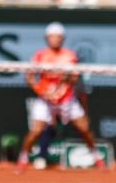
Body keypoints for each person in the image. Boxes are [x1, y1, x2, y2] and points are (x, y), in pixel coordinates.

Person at [17, 23, 103, 173]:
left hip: (67, 99)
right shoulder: (40, 55)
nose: (55, 40)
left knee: (84, 128)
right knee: (36, 131)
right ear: (47, 38)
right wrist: (42, 91)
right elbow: (29, 77)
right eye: (52, 37)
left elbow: (74, 79)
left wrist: (66, 80)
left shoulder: (70, 56)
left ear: (62, 39)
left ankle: (97, 156)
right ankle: (23, 158)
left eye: (58, 37)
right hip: (45, 100)